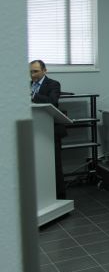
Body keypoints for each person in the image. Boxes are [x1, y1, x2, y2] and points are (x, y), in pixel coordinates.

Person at [30, 59, 66, 198]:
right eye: (31, 72)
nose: (32, 74)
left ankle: (59, 196)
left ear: (45, 70)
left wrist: (33, 95)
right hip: (34, 130)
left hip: (51, 129)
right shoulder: (27, 85)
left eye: (36, 71)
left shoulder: (53, 84)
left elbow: (52, 101)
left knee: (54, 165)